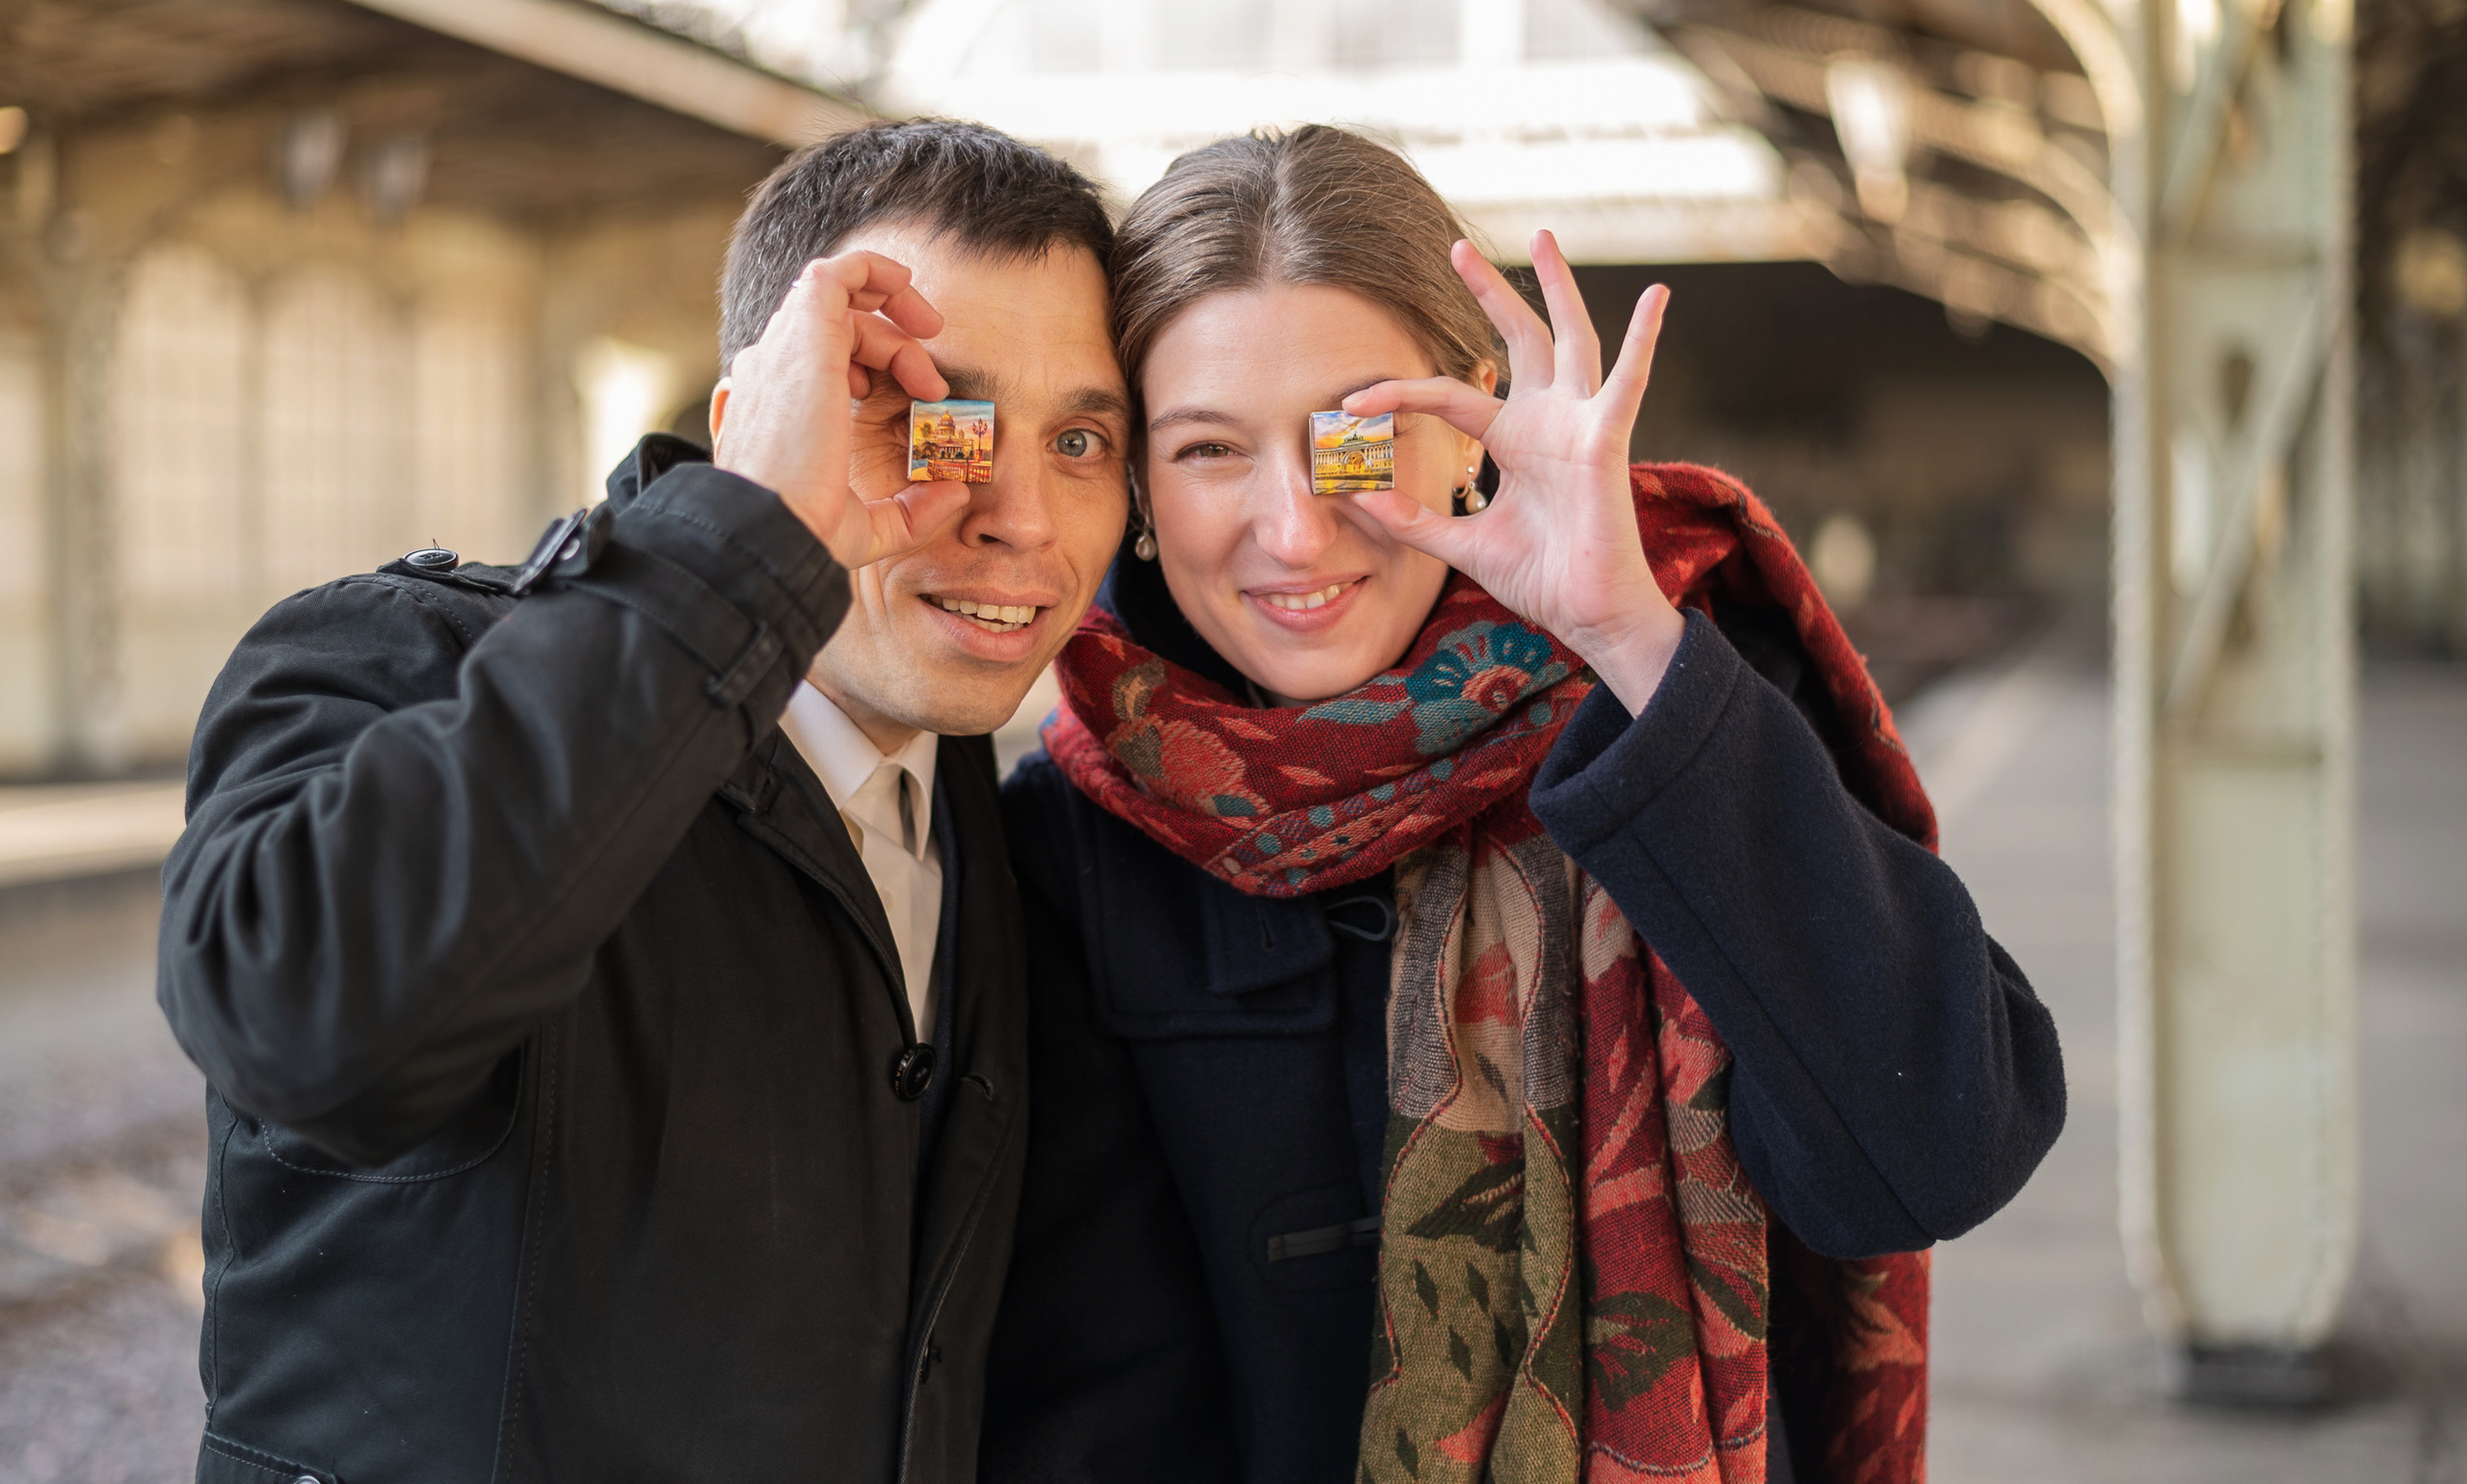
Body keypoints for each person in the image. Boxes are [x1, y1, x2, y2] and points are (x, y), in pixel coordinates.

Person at [981, 126, 2066, 1484]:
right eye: (1208, 451)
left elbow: (1938, 1154)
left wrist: (1632, 646)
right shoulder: (1070, 838)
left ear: (1475, 421)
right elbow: (1081, 1408)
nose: (1296, 528)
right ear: (1139, 479)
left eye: (1359, 439)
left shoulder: (1687, 705)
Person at [155, 119, 1132, 1484]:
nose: (1021, 513)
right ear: (751, 427)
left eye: (1082, 437)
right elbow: (303, 1021)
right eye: (930, 416)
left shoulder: (986, 813)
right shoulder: (395, 659)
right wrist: (747, 548)